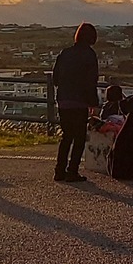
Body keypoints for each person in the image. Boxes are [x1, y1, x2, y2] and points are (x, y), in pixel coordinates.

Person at [51, 23, 99, 183]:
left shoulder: (65, 53)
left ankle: (59, 171)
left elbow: (55, 79)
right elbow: (91, 82)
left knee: (66, 137)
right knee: (79, 138)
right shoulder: (89, 55)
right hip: (79, 102)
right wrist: (93, 102)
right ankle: (72, 171)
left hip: (63, 100)